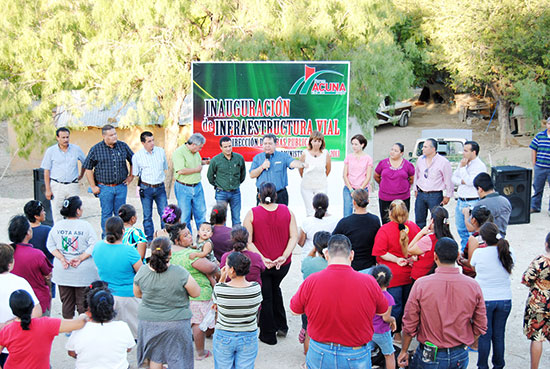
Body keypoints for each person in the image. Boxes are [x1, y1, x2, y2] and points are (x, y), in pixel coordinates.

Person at [290, 234, 388, 369]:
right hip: (355, 352)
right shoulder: (369, 282)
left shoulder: (312, 281)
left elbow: (295, 310)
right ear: (351, 255)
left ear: (327, 255)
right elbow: (383, 310)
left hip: (320, 350)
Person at [398, 238, 488, 369]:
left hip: (431, 354)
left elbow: (409, 324)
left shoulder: (421, 285)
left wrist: (404, 350)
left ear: (435, 257)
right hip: (460, 353)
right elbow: (481, 324)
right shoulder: (473, 285)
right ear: (458, 255)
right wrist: (466, 343)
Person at [243, 182, 298, 345]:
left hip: (263, 264)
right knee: (275, 288)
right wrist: (283, 256)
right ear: (276, 195)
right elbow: (293, 236)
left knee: (266, 295)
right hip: (283, 264)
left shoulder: (252, 213)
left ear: (259, 195)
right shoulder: (287, 211)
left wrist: (262, 258)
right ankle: (281, 325)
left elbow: (248, 241)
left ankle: (268, 334)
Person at [133, 237, 201, 369]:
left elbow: (137, 293)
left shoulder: (142, 271)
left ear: (151, 252)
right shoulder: (180, 273)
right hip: (176, 322)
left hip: (148, 321)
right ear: (170, 253)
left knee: (155, 356)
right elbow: (196, 293)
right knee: (178, 358)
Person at [168, 222, 219, 360]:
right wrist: (215, 265)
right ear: (177, 240)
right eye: (186, 235)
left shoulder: (170, 253)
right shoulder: (190, 254)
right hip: (199, 294)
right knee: (198, 323)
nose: (190, 237)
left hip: (180, 294)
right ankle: (200, 352)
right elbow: (210, 268)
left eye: (189, 233)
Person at [372, 199, 420, 343]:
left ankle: (396, 332)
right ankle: (409, 331)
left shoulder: (385, 230)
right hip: (411, 274)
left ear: (390, 213)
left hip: (393, 276)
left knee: (395, 306)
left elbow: (380, 252)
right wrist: (411, 258)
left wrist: (396, 260)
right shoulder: (414, 227)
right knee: (409, 306)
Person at [0, 290, 86, 369]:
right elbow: (79, 323)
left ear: (13, 310)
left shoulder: (6, 330)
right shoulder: (46, 324)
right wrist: (84, 315)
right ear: (32, 306)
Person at [46, 196, 98, 320]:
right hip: (83, 272)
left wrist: (62, 258)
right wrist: (80, 258)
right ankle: (82, 327)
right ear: (78, 211)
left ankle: (68, 328)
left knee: (66, 302)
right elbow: (94, 245)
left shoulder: (58, 226)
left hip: (63, 270)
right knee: (83, 302)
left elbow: (50, 245)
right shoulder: (86, 226)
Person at [471, 222, 514, 369]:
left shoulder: (479, 253)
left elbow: (473, 266)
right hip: (505, 298)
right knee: (499, 335)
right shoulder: (508, 251)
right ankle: (499, 365)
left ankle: (482, 365)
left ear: (483, 238)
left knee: (485, 335)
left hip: (486, 299)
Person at [92, 216, 143, 338]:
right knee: (134, 335)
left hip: (107, 295)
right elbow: (142, 274)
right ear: (123, 231)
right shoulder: (129, 251)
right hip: (129, 296)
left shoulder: (97, 247)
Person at [212, 252, 263, 369]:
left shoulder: (220, 289)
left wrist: (222, 277)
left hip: (224, 334)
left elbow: (216, 300)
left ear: (232, 270)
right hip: (248, 334)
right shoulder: (256, 288)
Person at [83, 124, 134, 237]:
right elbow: (88, 168)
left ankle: (120, 238)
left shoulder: (123, 146)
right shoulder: (96, 149)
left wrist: (131, 176)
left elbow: (133, 160)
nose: (114, 137)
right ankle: (106, 239)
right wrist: (93, 186)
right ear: (104, 136)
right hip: (104, 188)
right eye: (111, 135)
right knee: (106, 215)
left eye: (115, 134)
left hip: (121, 186)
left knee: (121, 214)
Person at [66, 287, 135, 369]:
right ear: (113, 308)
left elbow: (71, 352)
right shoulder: (123, 327)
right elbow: (128, 348)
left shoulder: (80, 328)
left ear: (89, 309)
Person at [0, 244, 42, 367]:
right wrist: (11, 323)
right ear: (10, 263)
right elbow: (37, 312)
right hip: (15, 343)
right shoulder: (19, 282)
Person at [8, 215, 53, 315]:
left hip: (14, 302)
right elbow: (47, 276)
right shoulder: (37, 255)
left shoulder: (7, 253)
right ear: (28, 233)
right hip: (38, 301)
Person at [41, 127, 86, 223]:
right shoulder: (51, 151)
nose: (66, 140)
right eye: (63, 137)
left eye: (67, 137)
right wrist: (48, 189)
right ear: (57, 138)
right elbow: (46, 171)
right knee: (57, 212)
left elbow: (85, 163)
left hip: (72, 185)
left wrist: (81, 175)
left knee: (75, 210)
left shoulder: (76, 149)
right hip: (57, 185)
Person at [249, 133, 306, 205]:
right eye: (265, 143)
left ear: (275, 144)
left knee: (282, 216)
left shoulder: (283, 156)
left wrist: (303, 164)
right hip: (263, 195)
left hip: (280, 195)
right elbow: (252, 174)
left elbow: (292, 163)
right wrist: (262, 167)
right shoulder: (258, 158)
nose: (267, 146)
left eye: (270, 143)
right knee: (263, 216)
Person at [132, 131, 168, 242]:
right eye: (149, 141)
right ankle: (149, 239)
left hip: (160, 187)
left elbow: (164, 167)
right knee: (147, 215)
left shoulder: (161, 152)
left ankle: (165, 237)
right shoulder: (137, 156)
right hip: (146, 187)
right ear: (143, 143)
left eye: (153, 140)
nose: (152, 143)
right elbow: (136, 173)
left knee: (165, 214)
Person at [332, 189, 381, 272]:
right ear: (368, 201)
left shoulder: (345, 222)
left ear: (354, 202)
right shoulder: (375, 220)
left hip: (351, 266)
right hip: (369, 266)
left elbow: (332, 241)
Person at [299, 231, 330, 355]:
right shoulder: (332, 264)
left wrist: (315, 249)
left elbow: (307, 258)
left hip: (309, 302)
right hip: (327, 302)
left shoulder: (308, 263)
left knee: (308, 331)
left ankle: (308, 358)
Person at [522, 232, 550, 369]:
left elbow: (526, 278)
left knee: (537, 337)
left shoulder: (540, 261)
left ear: (546, 244)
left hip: (538, 303)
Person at [451, 140, 486, 250]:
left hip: (472, 200)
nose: (463, 153)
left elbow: (471, 182)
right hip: (461, 200)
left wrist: (462, 169)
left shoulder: (479, 166)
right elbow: (453, 178)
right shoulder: (463, 163)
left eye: (466, 151)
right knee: (461, 229)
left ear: (474, 152)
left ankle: (472, 252)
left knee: (472, 230)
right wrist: (463, 179)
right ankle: (464, 251)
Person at [413, 138, 453, 228]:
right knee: (419, 220)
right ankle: (420, 240)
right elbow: (417, 175)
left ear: (433, 149)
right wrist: (415, 189)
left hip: (435, 195)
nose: (422, 149)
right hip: (421, 193)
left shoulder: (443, 162)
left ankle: (435, 240)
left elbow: (448, 180)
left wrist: (448, 195)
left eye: (425, 147)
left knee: (436, 220)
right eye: (423, 147)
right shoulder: (420, 160)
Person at [172, 132, 209, 232]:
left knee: (201, 215)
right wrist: (196, 170)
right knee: (185, 216)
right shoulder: (179, 153)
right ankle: (188, 241)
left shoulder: (195, 152)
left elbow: (195, 163)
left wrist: (203, 162)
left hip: (197, 186)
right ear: (193, 145)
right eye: (200, 147)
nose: (200, 150)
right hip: (183, 187)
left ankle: (202, 239)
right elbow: (181, 170)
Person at [207, 136, 246, 225]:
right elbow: (210, 176)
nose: (228, 149)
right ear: (221, 147)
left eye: (229, 146)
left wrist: (235, 184)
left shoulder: (239, 158)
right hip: (221, 193)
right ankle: (223, 238)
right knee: (221, 218)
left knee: (236, 218)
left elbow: (242, 174)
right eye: (225, 147)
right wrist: (218, 185)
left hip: (235, 192)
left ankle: (237, 238)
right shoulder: (215, 160)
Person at [407, 206, 453, 281]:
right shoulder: (450, 238)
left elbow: (409, 249)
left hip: (421, 276)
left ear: (432, 221)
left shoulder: (429, 240)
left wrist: (421, 233)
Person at [374, 143, 415, 224]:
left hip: (403, 198)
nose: (392, 152)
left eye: (396, 151)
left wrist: (404, 187)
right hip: (385, 198)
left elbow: (412, 178)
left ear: (401, 153)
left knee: (402, 222)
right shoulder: (383, 163)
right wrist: (383, 184)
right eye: (392, 149)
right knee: (386, 222)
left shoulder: (407, 165)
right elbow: (376, 176)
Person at [369, 264, 397, 369]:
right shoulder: (388, 298)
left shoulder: (368, 293)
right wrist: (393, 319)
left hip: (369, 330)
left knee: (367, 352)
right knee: (389, 354)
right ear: (389, 279)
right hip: (381, 332)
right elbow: (386, 318)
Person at [299, 131, 331, 217]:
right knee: (310, 211)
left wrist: (320, 178)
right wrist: (305, 177)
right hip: (307, 186)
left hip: (321, 186)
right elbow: (300, 168)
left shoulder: (325, 153)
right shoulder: (305, 153)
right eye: (315, 141)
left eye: (319, 141)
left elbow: (328, 169)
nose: (317, 143)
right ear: (311, 141)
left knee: (321, 209)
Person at [298, 193, 338, 260]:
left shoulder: (306, 222)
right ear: (327, 206)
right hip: (329, 259)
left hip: (309, 258)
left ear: (313, 206)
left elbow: (301, 243)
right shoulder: (336, 221)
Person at [342, 134, 373, 217]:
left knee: (361, 212)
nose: (353, 146)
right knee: (347, 213)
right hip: (349, 189)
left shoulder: (368, 158)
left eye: (356, 144)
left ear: (362, 145)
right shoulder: (349, 157)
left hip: (362, 189)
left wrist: (360, 190)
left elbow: (368, 176)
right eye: (352, 144)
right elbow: (345, 175)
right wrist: (351, 190)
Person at [458, 205, 493, 278]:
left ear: (473, 220)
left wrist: (460, 258)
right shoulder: (496, 234)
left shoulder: (475, 239)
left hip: (478, 277)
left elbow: (471, 264)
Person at [529, 117, 550, 214]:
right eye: (549, 124)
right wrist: (534, 163)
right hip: (540, 166)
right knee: (537, 188)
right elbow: (534, 149)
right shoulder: (539, 136)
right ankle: (535, 206)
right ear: (546, 124)